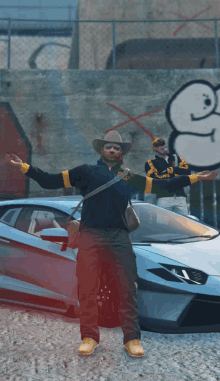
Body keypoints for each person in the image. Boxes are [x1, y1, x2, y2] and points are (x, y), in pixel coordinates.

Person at [5, 131, 217, 359]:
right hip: (90, 236)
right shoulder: (85, 172)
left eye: (117, 148)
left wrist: (195, 178)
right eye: (109, 147)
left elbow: (159, 186)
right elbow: (51, 180)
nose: (113, 151)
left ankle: (132, 339)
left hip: (119, 237)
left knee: (126, 289)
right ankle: (89, 337)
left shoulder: (128, 176)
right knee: (88, 289)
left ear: (121, 153)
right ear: (102, 150)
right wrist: (24, 167)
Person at [145, 137, 191, 215]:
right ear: (156, 150)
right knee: (162, 222)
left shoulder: (176, 158)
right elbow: (155, 179)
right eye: (162, 149)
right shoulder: (150, 163)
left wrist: (172, 170)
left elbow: (187, 171)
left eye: (165, 147)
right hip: (163, 197)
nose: (165, 150)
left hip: (180, 196)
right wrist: (176, 175)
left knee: (184, 222)